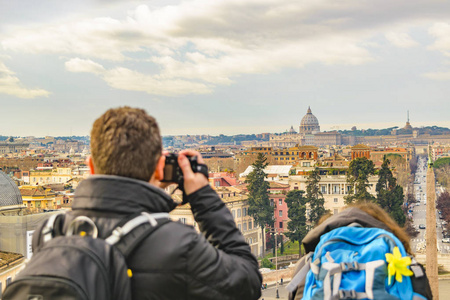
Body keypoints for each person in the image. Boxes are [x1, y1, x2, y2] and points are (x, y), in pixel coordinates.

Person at [65, 107, 262, 299]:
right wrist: (203, 197)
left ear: (90, 166)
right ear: (160, 167)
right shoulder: (178, 246)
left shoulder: (52, 233)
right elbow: (248, 282)